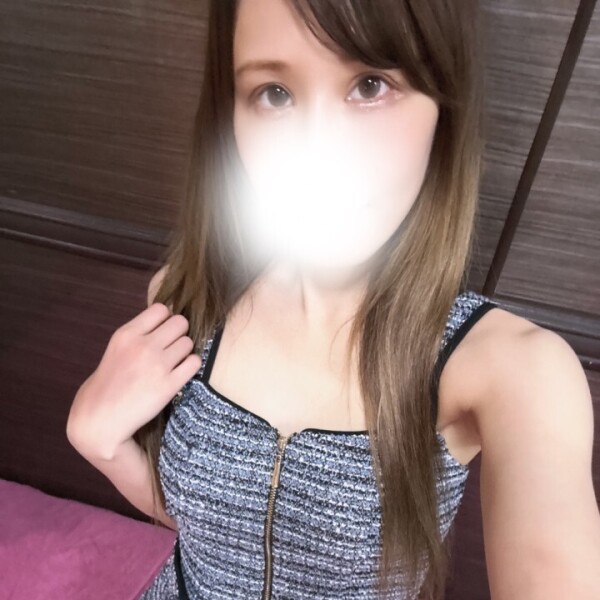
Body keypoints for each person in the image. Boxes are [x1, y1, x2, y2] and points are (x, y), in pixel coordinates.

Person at [66, 0, 600, 598]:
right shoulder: (187, 297)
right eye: (274, 94)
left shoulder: (513, 372)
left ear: (441, 107)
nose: (318, 151)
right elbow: (211, 534)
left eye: (370, 85)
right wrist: (101, 444)